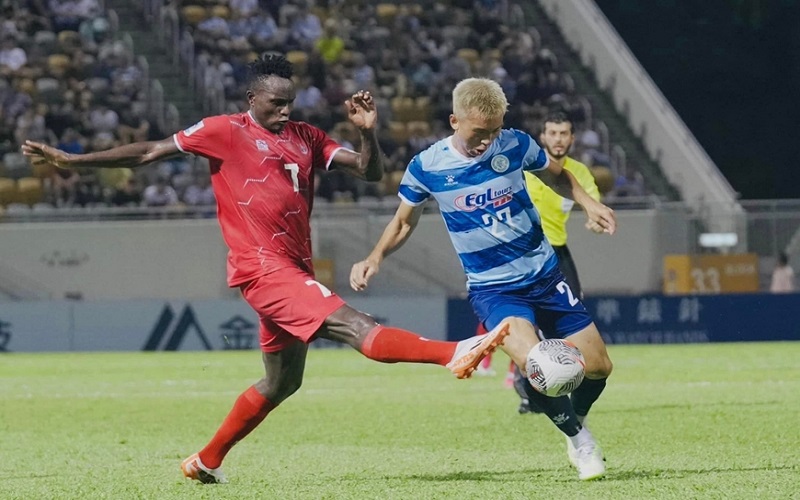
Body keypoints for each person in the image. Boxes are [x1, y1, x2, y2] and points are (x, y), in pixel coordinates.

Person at [22, 55, 509, 484]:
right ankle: (453, 352)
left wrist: (367, 132)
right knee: (354, 324)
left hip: (292, 266)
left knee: (281, 383)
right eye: (276, 102)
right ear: (252, 98)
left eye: (290, 102)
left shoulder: (306, 137)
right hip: (261, 269)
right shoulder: (223, 131)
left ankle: (206, 460)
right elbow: (150, 151)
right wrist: (73, 160)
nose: (285, 110)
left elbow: (370, 171)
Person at [350, 78, 615, 481]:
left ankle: (574, 419)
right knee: (537, 364)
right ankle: (581, 441)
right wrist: (374, 257)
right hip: (494, 289)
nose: (487, 141)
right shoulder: (429, 166)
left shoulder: (514, 144)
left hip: (544, 274)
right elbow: (404, 222)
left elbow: (557, 175)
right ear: (455, 120)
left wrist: (589, 202)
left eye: (494, 131)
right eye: (479, 132)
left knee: (598, 367)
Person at [512, 110, 601, 415]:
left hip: (559, 253)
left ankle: (558, 380)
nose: (558, 139)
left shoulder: (577, 173)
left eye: (564, 133)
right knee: (527, 320)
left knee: (571, 318)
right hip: (527, 252)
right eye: (553, 133)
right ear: (543, 137)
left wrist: (595, 218)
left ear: (572, 138)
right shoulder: (527, 169)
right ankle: (526, 383)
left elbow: (593, 202)